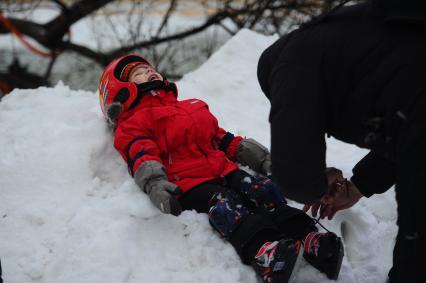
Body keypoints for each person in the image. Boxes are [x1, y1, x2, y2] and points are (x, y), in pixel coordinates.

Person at [98, 54, 344, 282]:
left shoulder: (190, 106)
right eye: (139, 73)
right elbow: (141, 154)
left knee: (263, 190)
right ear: (120, 91)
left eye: (150, 69)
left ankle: (310, 238)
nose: (150, 73)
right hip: (190, 183)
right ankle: (265, 251)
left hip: (223, 170)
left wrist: (262, 159)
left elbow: (223, 139)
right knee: (227, 206)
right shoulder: (134, 123)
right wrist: (155, 184)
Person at [257, 0, 426, 282]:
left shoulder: (292, 63)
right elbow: (405, 123)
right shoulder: (347, 40)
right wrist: (359, 186)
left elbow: (294, 171)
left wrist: (318, 184)